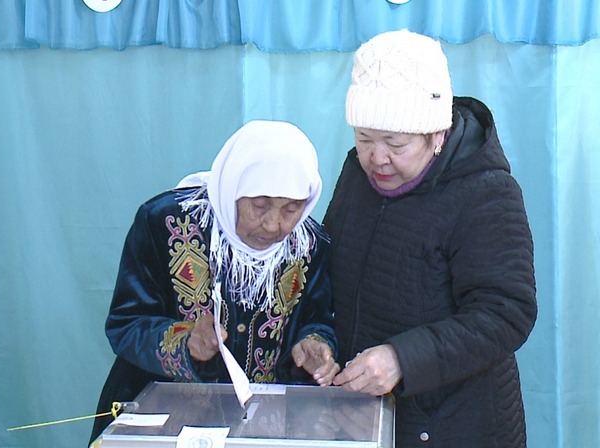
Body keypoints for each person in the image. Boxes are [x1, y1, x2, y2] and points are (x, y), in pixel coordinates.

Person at [323, 29, 537, 447]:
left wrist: (402, 358)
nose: (376, 157)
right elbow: (333, 265)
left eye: (395, 144)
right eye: (364, 138)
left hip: (455, 424)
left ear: (436, 135)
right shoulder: (358, 173)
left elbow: (507, 313)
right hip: (367, 415)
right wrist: (317, 338)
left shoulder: (486, 191)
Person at [90, 120, 340, 444]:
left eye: (292, 209)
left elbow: (317, 320)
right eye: (259, 205)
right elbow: (126, 324)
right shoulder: (164, 223)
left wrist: (316, 343)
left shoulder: (307, 245)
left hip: (261, 429)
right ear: (233, 187)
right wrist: (185, 341)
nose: (274, 224)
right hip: (163, 424)